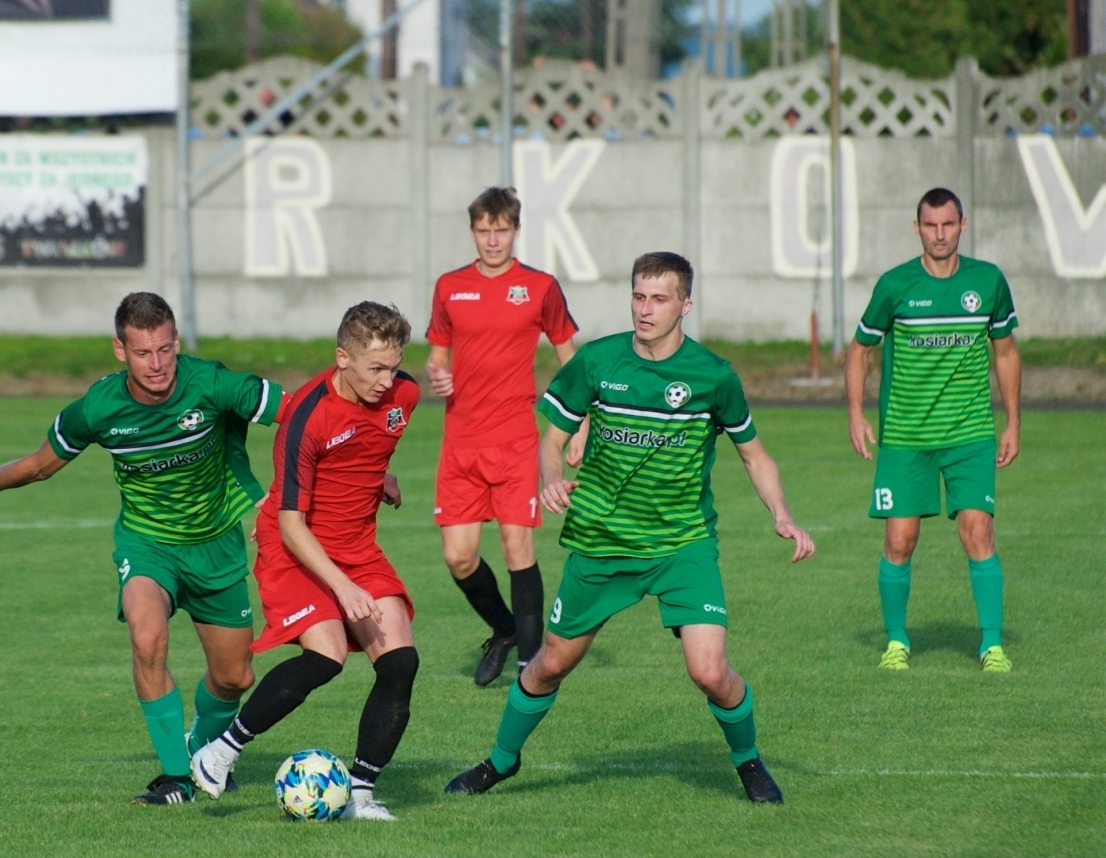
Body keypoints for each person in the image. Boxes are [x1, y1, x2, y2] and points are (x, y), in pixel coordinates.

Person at [446, 253, 814, 804]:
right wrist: (551, 478)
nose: (645, 309)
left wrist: (781, 514)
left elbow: (754, 455)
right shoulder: (598, 361)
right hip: (601, 540)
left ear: (685, 305)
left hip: (682, 543)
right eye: (639, 296)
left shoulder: (713, 375)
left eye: (659, 299)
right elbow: (552, 440)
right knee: (549, 665)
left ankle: (749, 761)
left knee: (710, 671)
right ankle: (500, 761)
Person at [0, 293, 285, 805]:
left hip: (216, 545)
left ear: (177, 342)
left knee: (235, 677)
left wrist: (365, 467)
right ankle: (176, 777)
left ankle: (204, 754)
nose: (157, 364)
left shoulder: (211, 383)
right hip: (147, 544)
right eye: (143, 353)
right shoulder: (100, 407)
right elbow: (40, 465)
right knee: (147, 637)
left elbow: (305, 415)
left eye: (165, 349)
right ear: (120, 350)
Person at [190, 302, 421, 820]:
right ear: (343, 358)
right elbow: (292, 522)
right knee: (327, 655)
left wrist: (379, 478)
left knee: (400, 663)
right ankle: (220, 752)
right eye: (375, 369)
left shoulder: (403, 395)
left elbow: (367, 446)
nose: (387, 381)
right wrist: (342, 587)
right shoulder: (306, 417)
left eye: (394, 367)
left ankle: (360, 795)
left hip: (357, 545)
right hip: (295, 546)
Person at [846, 187, 1020, 672]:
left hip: (970, 433)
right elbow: (859, 349)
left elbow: (1006, 352)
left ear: (963, 225)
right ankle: (896, 641)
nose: (939, 234)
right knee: (900, 540)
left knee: (978, 530)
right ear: (917, 228)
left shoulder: (988, 281)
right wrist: (855, 413)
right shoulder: (895, 285)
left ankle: (992, 645)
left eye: (948, 224)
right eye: (930, 225)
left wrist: (1013, 422)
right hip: (906, 436)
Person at [426, 187, 578, 686]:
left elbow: (570, 360)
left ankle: (530, 668)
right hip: (461, 443)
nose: (492, 240)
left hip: (515, 440)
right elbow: (437, 356)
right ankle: (505, 630)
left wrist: (578, 426)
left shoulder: (540, 287)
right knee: (458, 556)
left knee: (518, 549)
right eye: (483, 230)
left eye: (501, 230)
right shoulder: (450, 287)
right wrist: (438, 374)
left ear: (516, 230)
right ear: (473, 231)